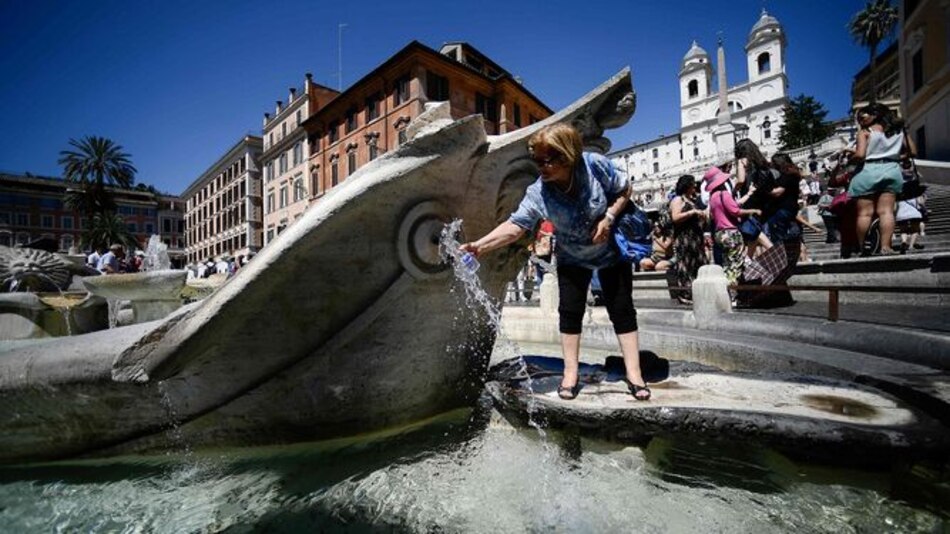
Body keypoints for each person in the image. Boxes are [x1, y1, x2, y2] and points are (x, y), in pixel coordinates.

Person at [459, 123, 650, 401]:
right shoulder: (539, 192)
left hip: (611, 252)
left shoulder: (595, 166)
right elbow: (516, 225)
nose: (542, 167)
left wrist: (608, 217)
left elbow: (624, 190)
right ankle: (570, 373)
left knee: (621, 309)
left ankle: (634, 374)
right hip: (572, 257)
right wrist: (480, 246)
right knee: (569, 313)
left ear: (567, 155)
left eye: (548, 160)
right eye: (537, 160)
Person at [848, 103, 915, 256]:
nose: (860, 120)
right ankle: (886, 247)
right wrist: (894, 158)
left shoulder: (865, 132)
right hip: (891, 170)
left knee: (864, 213)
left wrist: (848, 161)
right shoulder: (899, 131)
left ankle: (862, 247)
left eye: (863, 116)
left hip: (868, 171)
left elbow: (860, 155)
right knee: (886, 212)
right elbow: (913, 152)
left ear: (874, 115)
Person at [704, 166, 761, 301]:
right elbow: (736, 211)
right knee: (735, 265)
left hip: (719, 233)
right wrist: (752, 210)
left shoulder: (713, 197)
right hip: (731, 233)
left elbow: (730, 207)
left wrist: (749, 194)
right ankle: (734, 296)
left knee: (727, 264)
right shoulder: (724, 194)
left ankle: (728, 294)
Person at [669, 174, 707, 304]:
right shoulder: (678, 200)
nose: (695, 186)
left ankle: (698, 292)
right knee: (686, 265)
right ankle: (685, 293)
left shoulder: (692, 200)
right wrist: (693, 212)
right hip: (684, 238)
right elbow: (675, 217)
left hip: (695, 238)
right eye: (692, 183)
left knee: (698, 264)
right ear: (687, 185)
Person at [734, 139, 775, 257]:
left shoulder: (742, 161)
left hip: (750, 199)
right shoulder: (761, 161)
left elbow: (741, 180)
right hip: (763, 199)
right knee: (753, 233)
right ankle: (748, 261)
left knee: (753, 231)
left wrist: (734, 190)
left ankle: (777, 254)